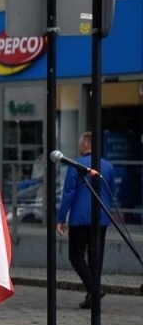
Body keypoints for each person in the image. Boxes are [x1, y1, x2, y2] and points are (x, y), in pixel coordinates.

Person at [56, 131, 118, 309]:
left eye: (79, 143)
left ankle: (94, 289)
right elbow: (111, 191)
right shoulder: (108, 166)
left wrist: (61, 218)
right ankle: (92, 295)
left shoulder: (76, 165)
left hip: (80, 218)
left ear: (85, 145)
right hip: (101, 218)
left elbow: (68, 193)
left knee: (76, 255)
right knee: (95, 257)